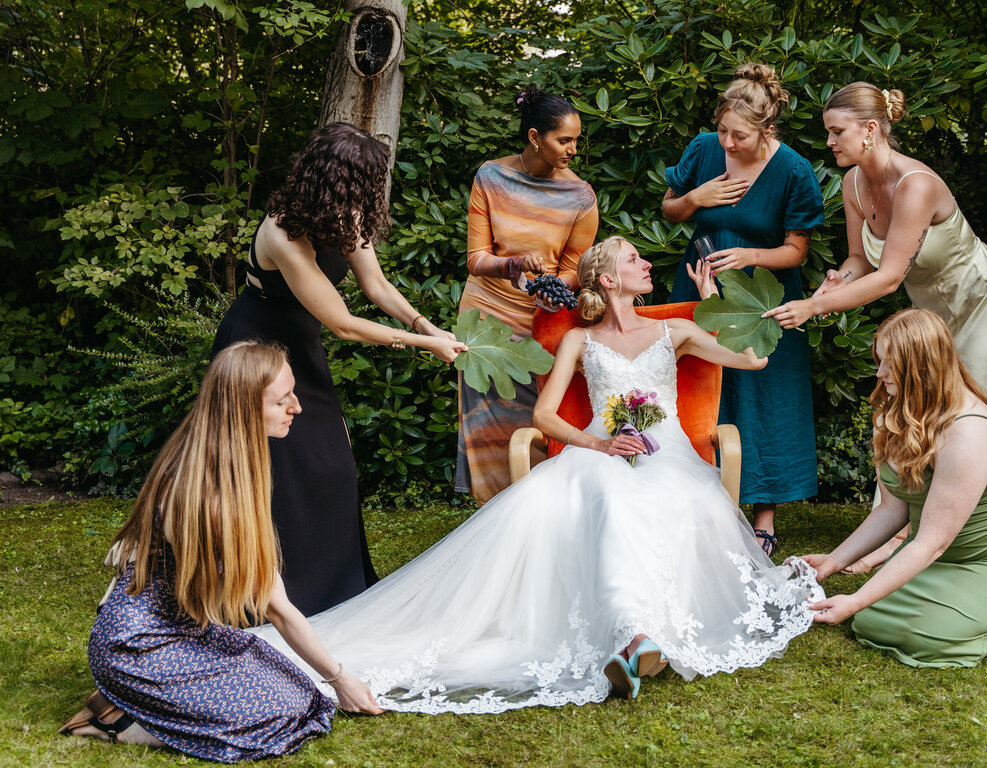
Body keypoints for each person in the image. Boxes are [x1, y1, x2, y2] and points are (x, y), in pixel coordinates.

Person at [253, 237, 823, 711]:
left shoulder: (678, 334)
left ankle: (634, 636)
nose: (646, 265)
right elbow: (544, 416)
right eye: (632, 259)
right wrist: (600, 443)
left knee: (659, 500)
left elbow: (755, 360)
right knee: (607, 497)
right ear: (604, 278)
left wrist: (714, 302)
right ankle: (635, 637)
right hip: (600, 450)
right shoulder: (580, 338)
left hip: (666, 452)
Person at [58, 341, 384, 761]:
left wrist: (330, 681)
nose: (297, 408)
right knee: (280, 714)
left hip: (183, 629)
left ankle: (137, 705)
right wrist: (341, 679)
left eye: (293, 393)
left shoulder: (216, 457)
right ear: (245, 408)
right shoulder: (209, 495)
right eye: (282, 399)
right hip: (136, 645)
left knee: (301, 693)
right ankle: (119, 722)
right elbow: (277, 607)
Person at [765, 82, 987, 570]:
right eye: (828, 132)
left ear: (870, 129)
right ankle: (896, 535)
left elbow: (889, 278)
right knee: (913, 409)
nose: (829, 142)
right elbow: (858, 262)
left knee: (977, 414)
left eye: (836, 131)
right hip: (928, 319)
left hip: (980, 303)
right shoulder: (852, 186)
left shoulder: (916, 185)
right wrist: (834, 284)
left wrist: (812, 309)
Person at [212, 122, 466, 616]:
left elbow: (378, 287)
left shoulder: (344, 215)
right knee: (274, 473)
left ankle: (339, 592)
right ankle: (272, 597)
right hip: (256, 352)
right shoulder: (282, 232)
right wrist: (422, 344)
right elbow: (344, 324)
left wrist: (429, 327)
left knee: (334, 465)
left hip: (299, 347)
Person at [796, 309, 987, 668]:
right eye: (880, 361)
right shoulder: (893, 416)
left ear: (920, 369)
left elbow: (931, 542)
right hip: (944, 553)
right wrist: (833, 562)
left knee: (923, 638)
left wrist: (855, 599)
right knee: (871, 623)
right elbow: (892, 510)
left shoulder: (969, 431)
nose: (879, 373)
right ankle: (976, 607)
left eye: (890, 365)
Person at [662, 63, 825, 556]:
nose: (727, 145)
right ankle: (692, 501)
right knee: (697, 385)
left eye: (740, 136)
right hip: (700, 283)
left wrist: (751, 255)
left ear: (767, 129)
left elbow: (796, 250)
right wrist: (695, 197)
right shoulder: (704, 149)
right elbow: (670, 209)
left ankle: (764, 516)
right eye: (723, 131)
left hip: (763, 295)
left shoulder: (794, 171)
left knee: (761, 392)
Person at [456, 85, 599, 503]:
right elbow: (476, 258)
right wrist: (512, 265)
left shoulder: (581, 197)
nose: (573, 149)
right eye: (564, 140)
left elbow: (574, 270)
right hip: (485, 319)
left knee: (540, 419)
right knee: (487, 423)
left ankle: (540, 513)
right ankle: (491, 515)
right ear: (535, 137)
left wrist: (555, 293)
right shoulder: (491, 176)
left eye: (576, 139)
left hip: (543, 321)